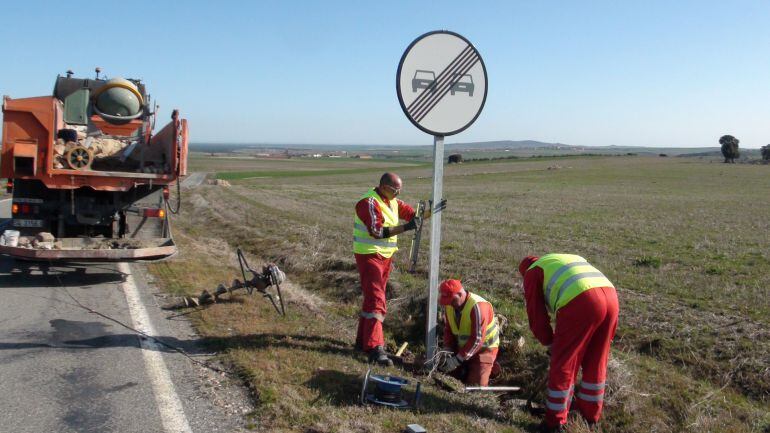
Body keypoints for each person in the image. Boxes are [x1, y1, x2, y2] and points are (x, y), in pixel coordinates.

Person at [518, 254, 619, 433]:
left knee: (564, 363)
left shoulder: (531, 273)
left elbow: (537, 316)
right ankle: (589, 418)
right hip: (611, 297)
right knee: (597, 361)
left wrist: (550, 343)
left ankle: (554, 423)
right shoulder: (558, 260)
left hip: (583, 300)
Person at [354, 172, 445, 366]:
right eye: (395, 190)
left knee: (373, 299)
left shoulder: (393, 202)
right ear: (384, 187)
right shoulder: (368, 203)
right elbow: (377, 231)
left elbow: (414, 215)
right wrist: (405, 228)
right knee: (377, 300)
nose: (398, 194)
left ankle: (362, 342)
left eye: (400, 190)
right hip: (370, 255)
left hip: (385, 257)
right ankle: (374, 347)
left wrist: (432, 211)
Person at [437, 279, 500, 386]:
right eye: (447, 301)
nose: (450, 304)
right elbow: (448, 329)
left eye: (452, 300)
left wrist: (457, 360)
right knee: (446, 376)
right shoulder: (450, 306)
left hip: (484, 350)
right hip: (463, 348)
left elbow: (477, 340)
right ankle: (465, 367)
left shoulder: (478, 307)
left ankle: (491, 369)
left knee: (476, 387)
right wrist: (448, 349)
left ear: (460, 294)